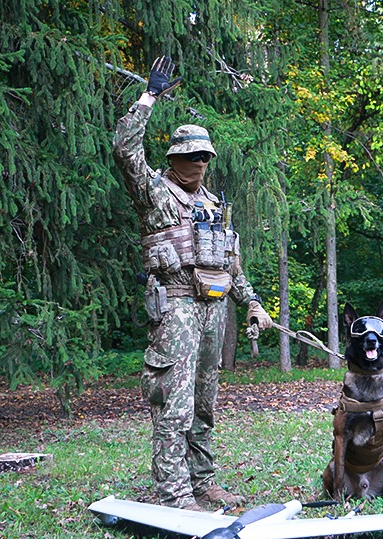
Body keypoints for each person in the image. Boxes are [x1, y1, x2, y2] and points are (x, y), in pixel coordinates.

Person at [112, 57, 273, 511]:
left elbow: (231, 263)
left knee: (205, 403)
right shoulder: (155, 194)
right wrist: (149, 98)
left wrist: (253, 303)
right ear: (175, 158)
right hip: (176, 308)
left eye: (205, 156)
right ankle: (176, 493)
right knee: (173, 404)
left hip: (213, 309)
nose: (200, 162)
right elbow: (124, 151)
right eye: (192, 155)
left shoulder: (214, 206)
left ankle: (203, 483)